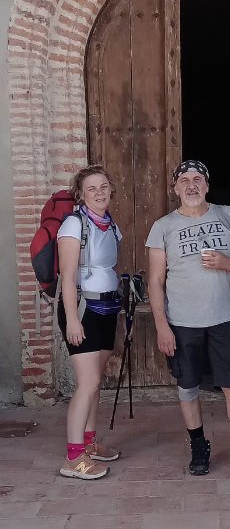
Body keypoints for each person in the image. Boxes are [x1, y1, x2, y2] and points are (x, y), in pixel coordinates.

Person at [146, 159, 230, 479]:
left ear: (207, 185)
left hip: (224, 318)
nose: (191, 185)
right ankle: (198, 444)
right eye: (184, 180)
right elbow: (155, 281)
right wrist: (162, 326)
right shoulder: (163, 226)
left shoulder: (228, 215)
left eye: (197, 179)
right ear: (175, 189)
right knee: (188, 387)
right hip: (181, 322)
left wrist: (228, 263)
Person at [57, 165, 123, 480]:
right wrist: (72, 320)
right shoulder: (73, 224)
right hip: (83, 309)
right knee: (88, 384)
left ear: (111, 191)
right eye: (91, 189)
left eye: (103, 187)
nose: (99, 193)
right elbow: (68, 277)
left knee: (96, 382)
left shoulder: (109, 225)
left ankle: (90, 443)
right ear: (81, 195)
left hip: (108, 307)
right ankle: (73, 458)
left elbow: (111, 269)